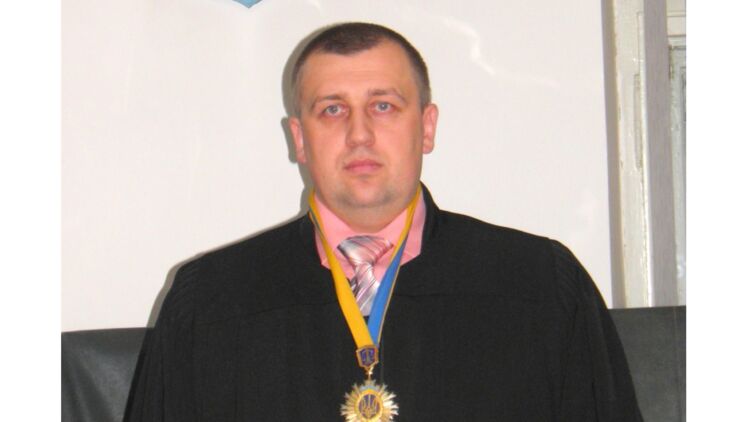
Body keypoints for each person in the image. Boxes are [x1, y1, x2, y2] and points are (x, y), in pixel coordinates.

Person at [127, 22, 642, 421]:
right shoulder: (211, 301)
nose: (359, 134)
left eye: (383, 106)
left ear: (427, 127)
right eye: (332, 110)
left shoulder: (541, 285)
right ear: (300, 139)